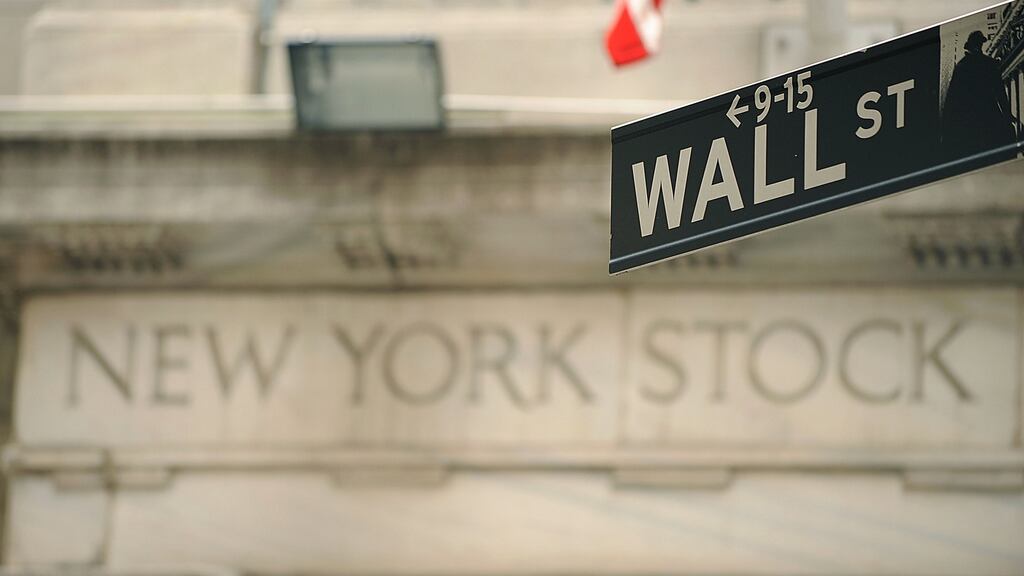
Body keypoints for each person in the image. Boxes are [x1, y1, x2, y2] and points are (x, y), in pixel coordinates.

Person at [942, 30, 1017, 159]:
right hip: (989, 114)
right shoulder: (990, 64)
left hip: (970, 120)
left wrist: (947, 127)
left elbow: (952, 100)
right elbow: (1000, 93)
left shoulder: (961, 67)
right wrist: (1008, 115)